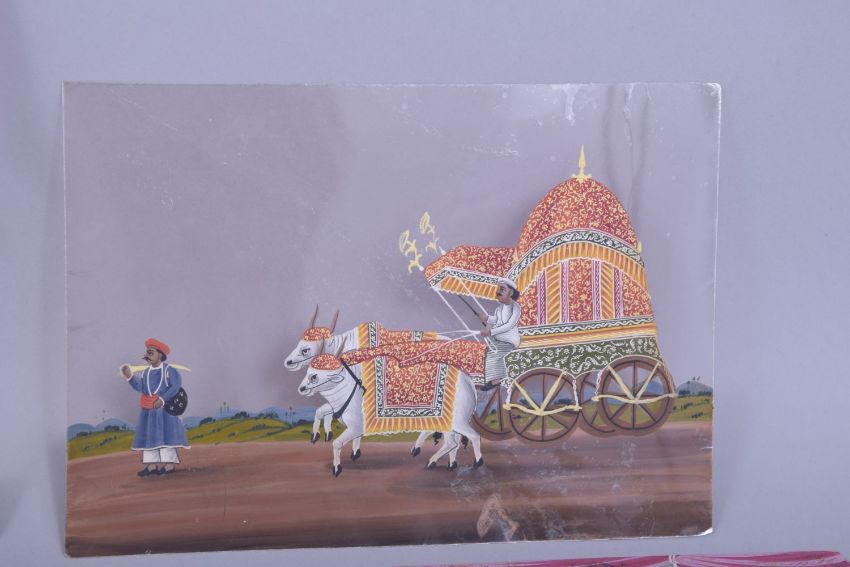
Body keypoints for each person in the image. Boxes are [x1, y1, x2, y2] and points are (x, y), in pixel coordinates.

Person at [120, 338, 189, 477]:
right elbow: (142, 388)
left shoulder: (170, 370)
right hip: (149, 411)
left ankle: (169, 465)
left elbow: (175, 386)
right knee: (149, 437)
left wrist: (162, 399)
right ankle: (151, 466)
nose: (146, 356)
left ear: (160, 354)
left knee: (166, 436)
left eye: (150, 353)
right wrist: (130, 377)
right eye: (146, 353)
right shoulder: (146, 372)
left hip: (164, 411)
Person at [478, 278, 522, 391]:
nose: (498, 292)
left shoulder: (515, 307)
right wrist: (486, 318)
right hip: (498, 339)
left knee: (494, 353)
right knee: (490, 351)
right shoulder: (499, 309)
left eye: (502, 289)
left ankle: (495, 380)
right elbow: (495, 320)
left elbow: (509, 325)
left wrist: (491, 332)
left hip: (508, 340)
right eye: (498, 289)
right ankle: (497, 378)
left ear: (511, 292)